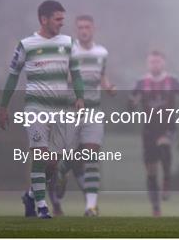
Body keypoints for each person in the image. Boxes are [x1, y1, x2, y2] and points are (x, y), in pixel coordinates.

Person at [0, 0, 85, 219]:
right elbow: (13, 75)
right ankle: (42, 207)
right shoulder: (26, 45)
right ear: (43, 19)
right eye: (58, 19)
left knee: (52, 164)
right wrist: (3, 107)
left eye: (63, 20)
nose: (61, 24)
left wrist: (80, 97)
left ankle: (29, 195)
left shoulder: (68, 43)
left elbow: (76, 73)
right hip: (35, 107)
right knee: (40, 155)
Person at [49, 14, 115, 217]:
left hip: (94, 110)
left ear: (93, 28)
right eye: (80, 27)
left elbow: (102, 77)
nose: (84, 30)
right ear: (77, 30)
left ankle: (91, 206)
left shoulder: (102, 52)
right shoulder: (70, 50)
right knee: (69, 155)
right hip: (71, 111)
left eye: (87, 27)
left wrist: (109, 87)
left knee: (92, 154)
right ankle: (61, 171)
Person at [130, 50, 179, 217]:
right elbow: (130, 102)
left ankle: (167, 181)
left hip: (168, 128)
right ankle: (156, 207)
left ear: (163, 63)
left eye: (157, 62)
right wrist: (132, 103)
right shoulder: (141, 82)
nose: (154, 65)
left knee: (164, 146)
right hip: (149, 130)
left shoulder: (173, 81)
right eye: (152, 62)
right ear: (147, 64)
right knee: (151, 171)